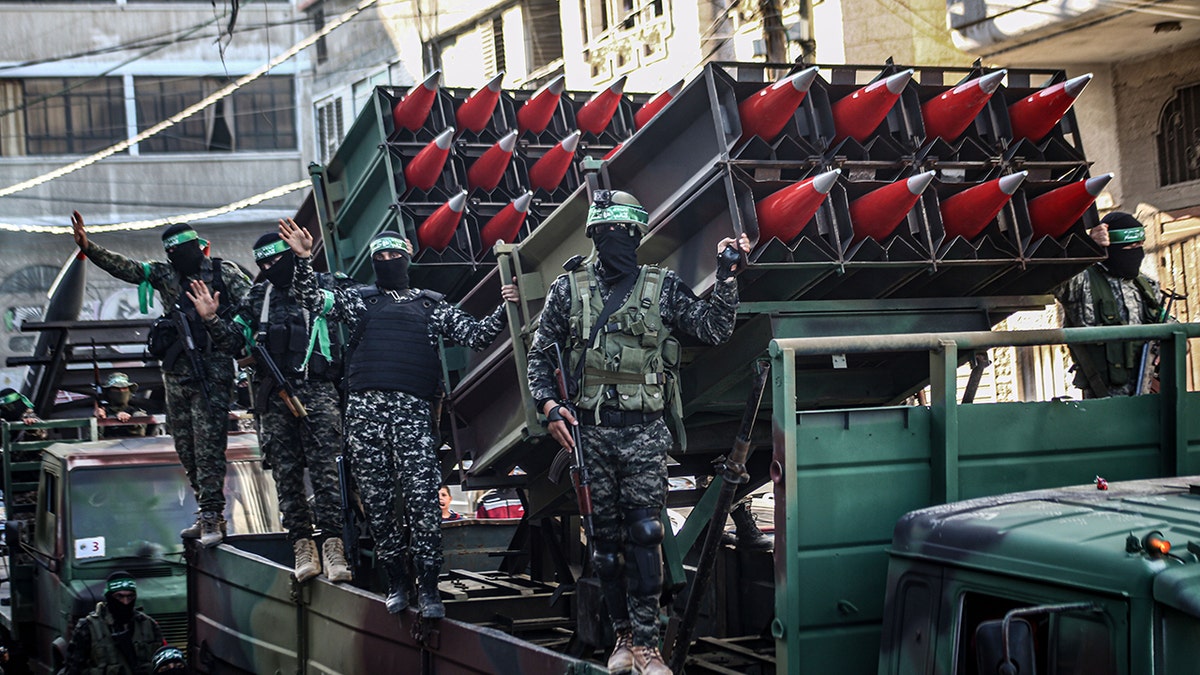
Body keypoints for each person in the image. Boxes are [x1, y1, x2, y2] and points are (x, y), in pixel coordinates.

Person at [527, 189, 749, 675]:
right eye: (604, 234)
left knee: (646, 534)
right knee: (604, 543)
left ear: (636, 235)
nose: (614, 242)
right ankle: (623, 638)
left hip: (645, 433)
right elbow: (541, 352)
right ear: (593, 237)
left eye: (622, 234)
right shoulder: (569, 289)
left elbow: (713, 329)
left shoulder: (662, 287)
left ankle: (649, 646)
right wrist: (548, 406)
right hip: (592, 433)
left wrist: (728, 274)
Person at [278, 219, 519, 620]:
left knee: (423, 506)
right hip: (365, 420)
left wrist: (505, 305)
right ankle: (397, 582)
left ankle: (427, 588)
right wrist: (304, 259)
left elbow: (476, 335)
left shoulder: (430, 305)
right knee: (380, 506)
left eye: (395, 255)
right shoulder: (360, 301)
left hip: (412, 418)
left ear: (408, 256)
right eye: (381, 257)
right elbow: (310, 298)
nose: (389, 261)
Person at [72, 212, 251, 547]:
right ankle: (204, 509)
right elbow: (126, 268)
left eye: (181, 250)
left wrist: (221, 322)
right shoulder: (167, 274)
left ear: (198, 247)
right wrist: (88, 247)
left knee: (209, 447)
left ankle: (213, 516)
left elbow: (253, 304)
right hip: (175, 374)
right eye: (171, 252)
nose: (176, 258)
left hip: (212, 372)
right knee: (185, 447)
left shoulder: (224, 273)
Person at [189, 225, 352, 584]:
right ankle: (302, 545)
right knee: (287, 475)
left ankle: (333, 545)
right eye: (262, 262)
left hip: (317, 391)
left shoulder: (322, 285)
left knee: (326, 474)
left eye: (276, 259)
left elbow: (325, 303)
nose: (268, 267)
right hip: (275, 398)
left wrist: (304, 260)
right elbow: (235, 343)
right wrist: (211, 320)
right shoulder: (258, 296)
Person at [1055, 211, 1165, 398]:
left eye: (1140, 245)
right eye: (1129, 247)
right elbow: (1050, 277)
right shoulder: (1081, 282)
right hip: (1102, 400)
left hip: (1147, 399)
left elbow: (1173, 329)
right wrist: (1085, 248)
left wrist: (1167, 347)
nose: (1137, 252)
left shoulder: (1146, 286)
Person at [63, 571, 167, 675]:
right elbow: (73, 669)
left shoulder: (149, 625)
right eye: (119, 597)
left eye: (130, 597)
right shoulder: (88, 627)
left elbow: (164, 663)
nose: (125, 602)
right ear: (109, 597)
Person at [96, 372, 150, 438]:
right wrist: (98, 420)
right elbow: (94, 438)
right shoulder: (103, 412)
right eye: (116, 389)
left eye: (124, 389)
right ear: (108, 392)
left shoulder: (136, 411)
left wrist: (131, 420)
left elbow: (141, 429)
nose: (121, 391)